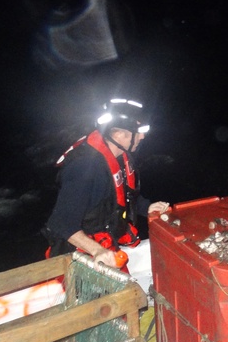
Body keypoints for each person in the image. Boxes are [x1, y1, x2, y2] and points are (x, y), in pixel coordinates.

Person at [43, 98, 170, 269]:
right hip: (79, 255)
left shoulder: (119, 157)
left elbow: (119, 195)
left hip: (106, 242)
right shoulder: (84, 168)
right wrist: (97, 251)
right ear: (118, 134)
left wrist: (146, 207)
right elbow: (60, 223)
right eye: (138, 131)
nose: (143, 136)